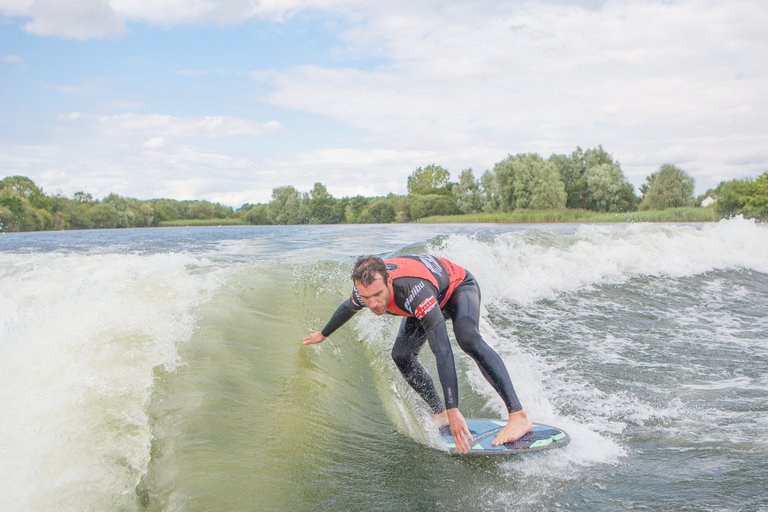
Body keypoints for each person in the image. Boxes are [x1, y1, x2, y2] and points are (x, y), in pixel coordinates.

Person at [302, 254, 532, 453]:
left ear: (389, 282)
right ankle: (440, 413)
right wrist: (323, 334)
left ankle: (518, 416)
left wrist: (454, 409)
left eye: (378, 295)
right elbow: (347, 307)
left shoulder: (413, 291)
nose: (373, 304)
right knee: (401, 355)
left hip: (457, 288)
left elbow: (442, 350)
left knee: (468, 339)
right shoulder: (364, 290)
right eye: (366, 298)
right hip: (428, 296)